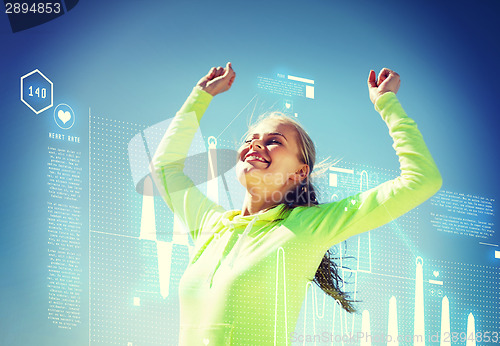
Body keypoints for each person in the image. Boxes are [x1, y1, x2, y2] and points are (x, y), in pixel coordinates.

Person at [149, 62, 442, 345]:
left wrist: (387, 103)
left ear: (300, 172)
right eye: (250, 139)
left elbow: (421, 179)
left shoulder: (307, 226)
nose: (255, 145)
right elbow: (163, 169)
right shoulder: (212, 225)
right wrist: (200, 97)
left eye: (274, 141)